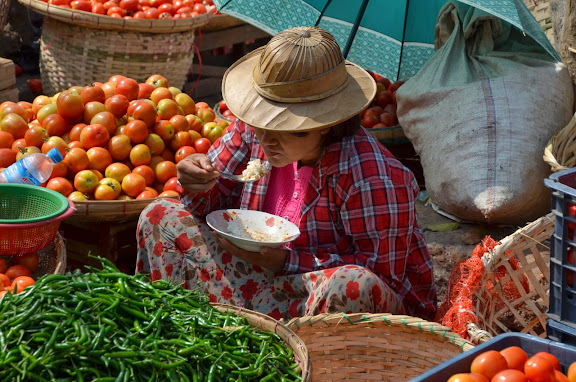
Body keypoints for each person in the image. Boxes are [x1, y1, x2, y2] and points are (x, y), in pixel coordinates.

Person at [136, 26, 437, 321]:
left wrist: (286, 261)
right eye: (261, 124)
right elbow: (213, 205)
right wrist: (198, 184)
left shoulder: (371, 178)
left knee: (353, 285)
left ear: (326, 123)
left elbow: (383, 279)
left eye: (287, 129)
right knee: (161, 215)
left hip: (315, 294)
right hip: (262, 279)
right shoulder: (251, 130)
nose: (267, 140)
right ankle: (208, 327)